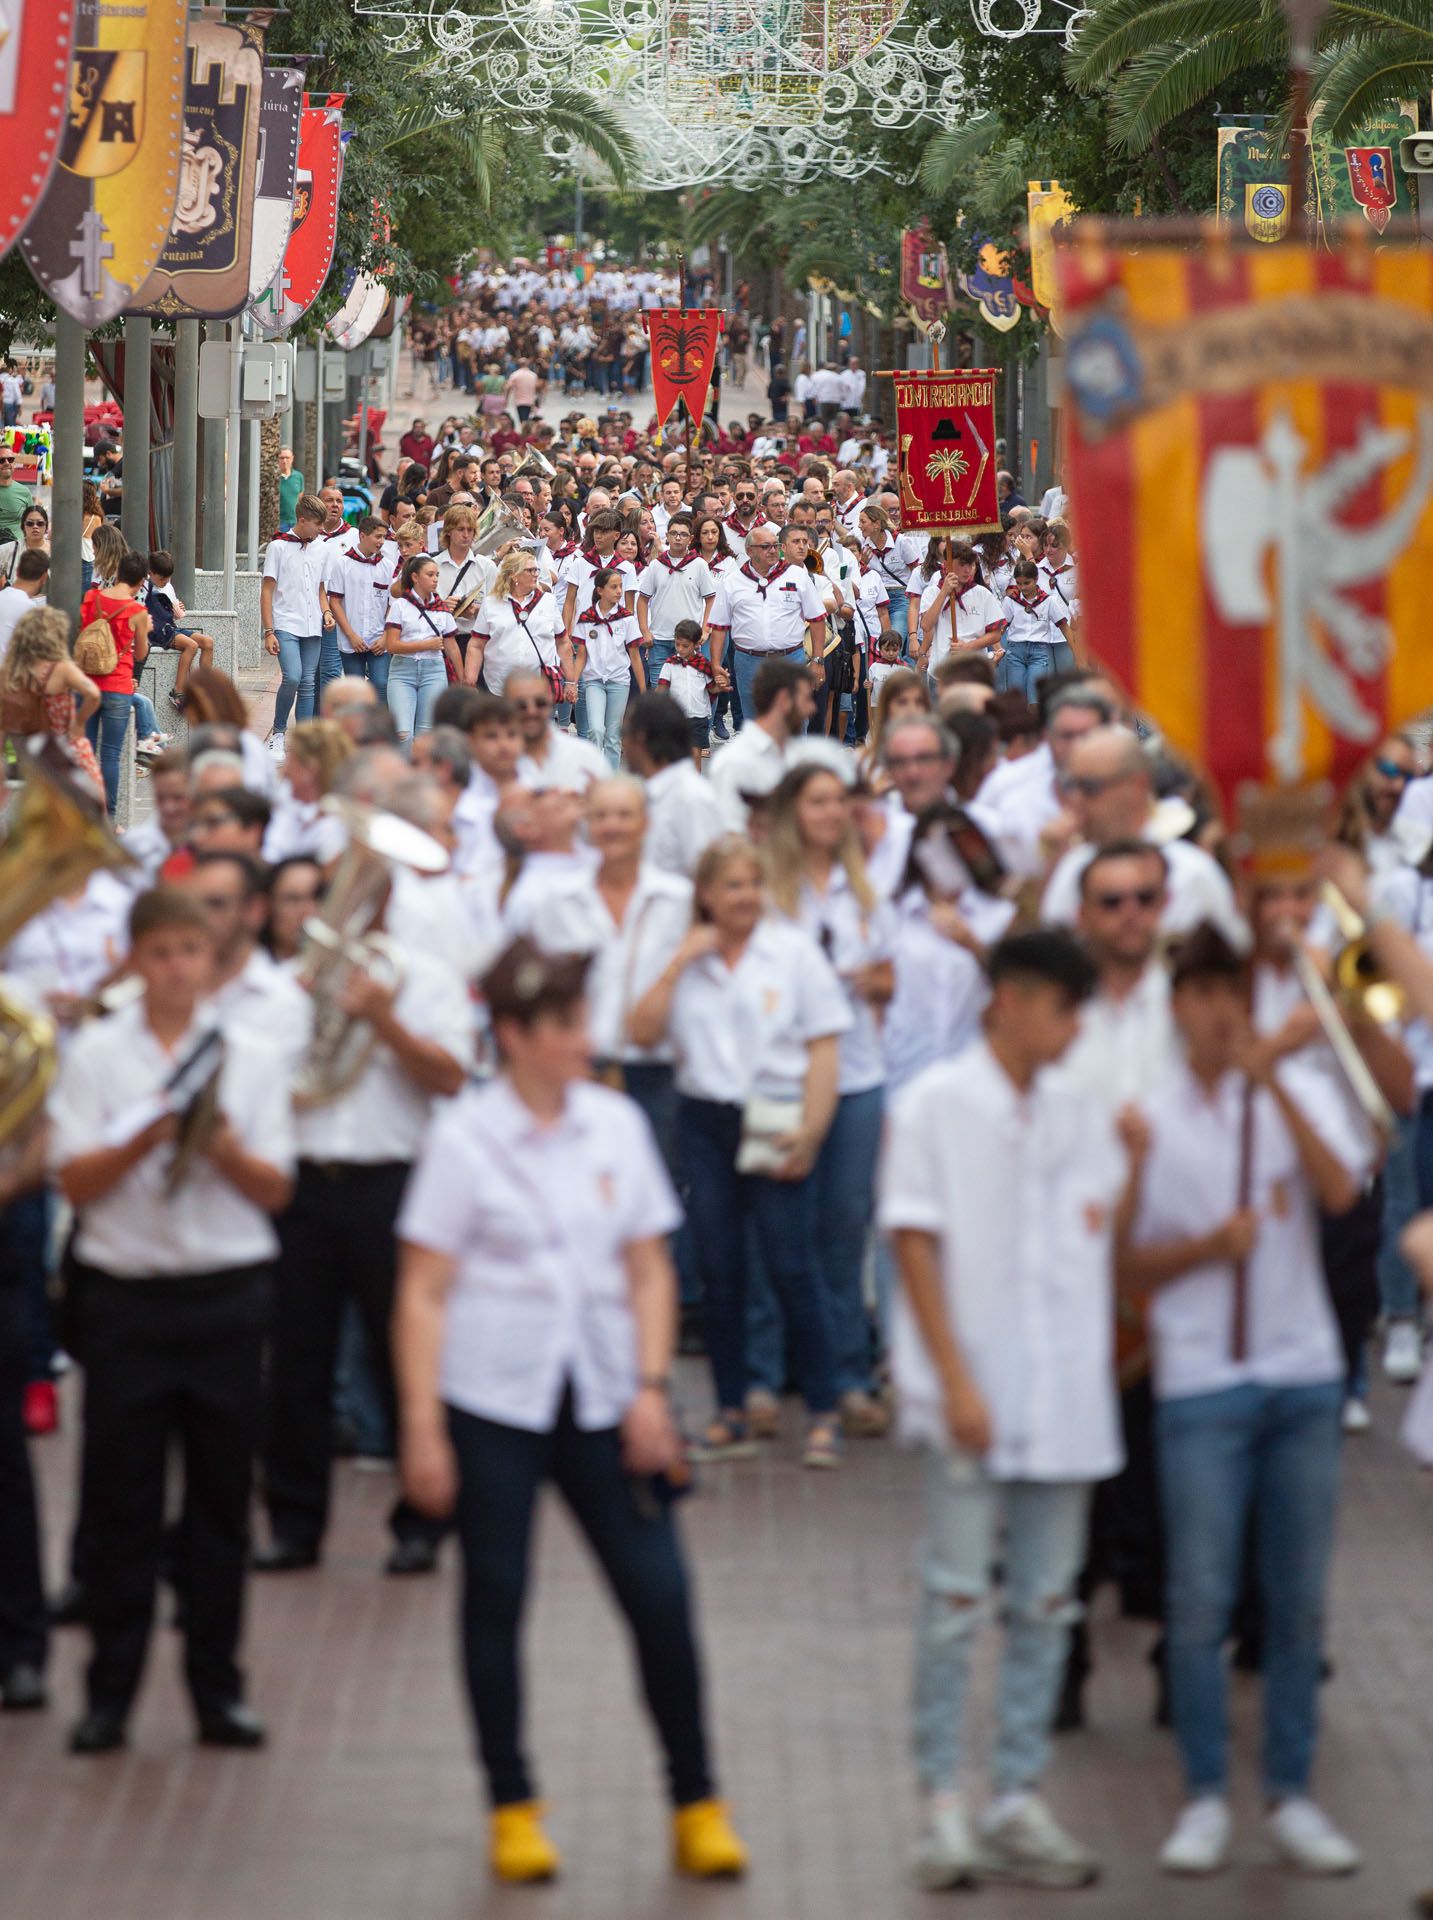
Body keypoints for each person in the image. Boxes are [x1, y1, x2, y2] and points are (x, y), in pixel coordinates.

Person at [393, 940, 747, 1885]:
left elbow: (646, 1266)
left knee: (660, 1599)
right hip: (493, 1399)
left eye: (585, 1022)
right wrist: (423, 1427)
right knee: (496, 1598)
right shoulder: (465, 1138)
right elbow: (423, 1290)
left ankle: (696, 1800)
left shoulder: (615, 1125)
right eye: (563, 1027)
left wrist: (649, 1388)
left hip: (602, 1397)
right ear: (513, 1035)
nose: (584, 1041)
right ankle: (512, 1805)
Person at [1120, 925, 1367, 1879]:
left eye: (1234, 993)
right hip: (1200, 1383)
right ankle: (1204, 1794)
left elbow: (1343, 1191)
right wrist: (1200, 1252)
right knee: (1197, 1600)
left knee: (1298, 1604)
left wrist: (1270, 1085)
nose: (1221, 1011)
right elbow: (1126, 1264)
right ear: (1175, 1007)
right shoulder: (1149, 1113)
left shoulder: (1292, 1093)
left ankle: (1292, 1793)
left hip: (1302, 1375)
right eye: (1201, 993)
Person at [881, 929, 1121, 1891]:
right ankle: (941, 1801)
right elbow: (913, 1242)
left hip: (1063, 1391)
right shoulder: (935, 1105)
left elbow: (1096, 1233)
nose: (1071, 1032)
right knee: (951, 1602)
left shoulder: (1080, 1109)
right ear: (1013, 1003)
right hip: (968, 1391)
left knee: (1046, 1606)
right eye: (1062, 1010)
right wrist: (952, 1376)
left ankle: (1016, 1794)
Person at [49, 886, 296, 1753]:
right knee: (122, 1500)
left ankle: (216, 1687)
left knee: (221, 1504)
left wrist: (217, 1142)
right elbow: (73, 1182)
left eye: (190, 952)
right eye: (160, 954)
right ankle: (109, 1690)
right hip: (126, 1298)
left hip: (225, 1293)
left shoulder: (251, 1055)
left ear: (210, 957)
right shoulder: (97, 1056)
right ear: (136, 956)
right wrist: (145, 1134)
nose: (176, 969)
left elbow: (276, 1189)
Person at [253, 798, 476, 1577]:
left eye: (357, 883)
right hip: (304, 1187)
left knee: (401, 1353)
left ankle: (422, 1520)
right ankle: (294, 1521)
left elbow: (451, 1078)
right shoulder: (285, 985)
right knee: (298, 1362)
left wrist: (383, 1021)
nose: (341, 901)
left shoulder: (424, 979)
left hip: (394, 1186)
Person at [628, 836, 848, 1468]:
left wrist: (812, 1130)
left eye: (753, 884)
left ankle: (823, 1410)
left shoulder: (792, 952)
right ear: (705, 895)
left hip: (775, 1115)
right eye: (731, 885)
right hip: (704, 1121)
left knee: (791, 1267)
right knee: (719, 1272)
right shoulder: (686, 957)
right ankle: (730, 1407)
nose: (745, 897)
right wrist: (677, 963)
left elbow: (824, 1046)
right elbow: (640, 1031)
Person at [757, 765, 893, 1437]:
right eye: (817, 801)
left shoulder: (864, 890)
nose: (831, 813)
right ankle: (778, 1370)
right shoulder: (771, 893)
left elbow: (893, 974)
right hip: (784, 1075)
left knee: (844, 1229)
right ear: (792, 812)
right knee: (782, 1229)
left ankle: (849, 1375)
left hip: (858, 1074)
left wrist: (877, 981)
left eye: (839, 802)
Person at [1040, 727, 1245, 944]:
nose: (1076, 800)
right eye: (1070, 786)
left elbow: (1232, 957)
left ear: (1138, 785)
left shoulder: (1191, 873)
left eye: (1089, 788)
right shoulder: (1073, 865)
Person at [706, 525, 827, 723]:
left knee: (796, 719)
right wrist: (716, 664)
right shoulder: (732, 582)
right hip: (749, 661)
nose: (773, 550)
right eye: (765, 546)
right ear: (750, 551)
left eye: (775, 545)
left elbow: (817, 619)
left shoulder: (796, 576)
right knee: (755, 721)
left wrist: (818, 660)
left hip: (791, 659)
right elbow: (719, 627)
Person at [623, 689, 727, 878]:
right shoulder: (647, 792)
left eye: (624, 733)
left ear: (640, 738)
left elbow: (705, 874)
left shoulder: (692, 799)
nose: (623, 743)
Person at [80, 549, 151, 816]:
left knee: (85, 748)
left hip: (87, 685)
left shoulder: (91, 598)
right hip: (118, 686)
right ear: (141, 581)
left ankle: (85, 812)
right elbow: (142, 653)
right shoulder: (137, 611)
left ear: (118, 573)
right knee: (110, 753)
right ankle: (108, 816)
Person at [261, 492, 329, 760]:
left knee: (309, 683)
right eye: (317, 524)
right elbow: (267, 591)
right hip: (285, 622)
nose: (321, 529)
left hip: (313, 624)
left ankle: (303, 743)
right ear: (302, 520)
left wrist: (326, 612)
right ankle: (278, 734)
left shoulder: (322, 548)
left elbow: (321, 588)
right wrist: (268, 630)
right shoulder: (277, 547)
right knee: (293, 676)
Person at [381, 553, 460, 747]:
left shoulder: (440, 608)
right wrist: (426, 645)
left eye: (437, 575)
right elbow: (392, 645)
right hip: (402, 670)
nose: (435, 580)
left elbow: (451, 646)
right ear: (415, 577)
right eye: (430, 575)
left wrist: (464, 677)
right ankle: (403, 775)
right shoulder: (400, 606)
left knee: (426, 734)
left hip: (433, 670)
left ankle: (421, 774)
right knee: (402, 733)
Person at [468, 551, 567, 697]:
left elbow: (563, 641)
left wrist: (571, 681)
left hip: (539, 685)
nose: (536, 574)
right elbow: (476, 644)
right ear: (514, 575)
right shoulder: (491, 603)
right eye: (530, 570)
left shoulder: (548, 601)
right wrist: (470, 678)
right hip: (499, 686)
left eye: (536, 569)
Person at [573, 566, 645, 768]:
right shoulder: (586, 619)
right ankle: (595, 775)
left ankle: (610, 781)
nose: (619, 592)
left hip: (619, 681)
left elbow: (635, 657)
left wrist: (643, 689)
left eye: (621, 587)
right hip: (594, 680)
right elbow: (580, 656)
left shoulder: (626, 619)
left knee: (613, 736)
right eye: (614, 587)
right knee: (596, 729)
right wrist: (572, 682)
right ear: (600, 590)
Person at [635, 515, 715, 682]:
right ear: (667, 536)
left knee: (686, 692)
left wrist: (705, 628)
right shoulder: (656, 565)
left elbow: (711, 599)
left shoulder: (699, 565)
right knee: (660, 694)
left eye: (683, 534)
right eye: (674, 533)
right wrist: (645, 631)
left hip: (689, 640)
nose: (678, 538)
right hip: (659, 640)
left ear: (691, 539)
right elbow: (642, 599)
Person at [914, 541, 1004, 688]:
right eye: (962, 565)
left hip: (974, 671)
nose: (967, 570)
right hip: (941, 672)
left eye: (970, 565)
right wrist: (944, 592)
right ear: (947, 564)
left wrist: (968, 647)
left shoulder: (982, 593)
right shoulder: (932, 593)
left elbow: (996, 633)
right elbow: (926, 625)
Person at [324, 515, 395, 697]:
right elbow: (335, 602)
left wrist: (386, 636)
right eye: (377, 537)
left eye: (384, 537)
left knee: (380, 684)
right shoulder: (343, 564)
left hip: (378, 639)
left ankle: (377, 725)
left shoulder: (387, 566)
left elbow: (392, 605)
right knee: (354, 691)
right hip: (351, 640)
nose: (381, 542)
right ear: (362, 536)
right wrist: (351, 635)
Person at [143, 550, 216, 712]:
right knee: (191, 645)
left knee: (207, 642)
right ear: (151, 573)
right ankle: (178, 691)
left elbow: (176, 613)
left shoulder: (167, 586)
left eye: (168, 578)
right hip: (158, 631)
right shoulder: (145, 588)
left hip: (171, 627)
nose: (164, 582)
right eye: (161, 578)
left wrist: (178, 607)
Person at [996, 558, 1071, 701]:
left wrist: (1076, 653)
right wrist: (996, 647)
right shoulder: (1010, 601)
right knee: (1016, 695)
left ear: (1036, 579)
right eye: (1018, 583)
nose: (1022, 587)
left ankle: (1036, 720)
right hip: (1015, 651)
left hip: (1039, 651)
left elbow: (1064, 627)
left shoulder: (1048, 601)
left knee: (1035, 694)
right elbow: (1000, 629)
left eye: (1027, 583)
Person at [0, 447, 34, 544]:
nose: (6, 463)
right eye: (1, 460)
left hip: (17, 551)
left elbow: (32, 522)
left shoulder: (24, 492)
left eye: (10, 459)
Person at [277, 447, 304, 532]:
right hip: (278, 522)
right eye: (282, 458)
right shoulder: (273, 478)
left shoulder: (298, 476)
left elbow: (300, 498)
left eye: (287, 458)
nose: (284, 461)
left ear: (292, 458)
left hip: (295, 521)